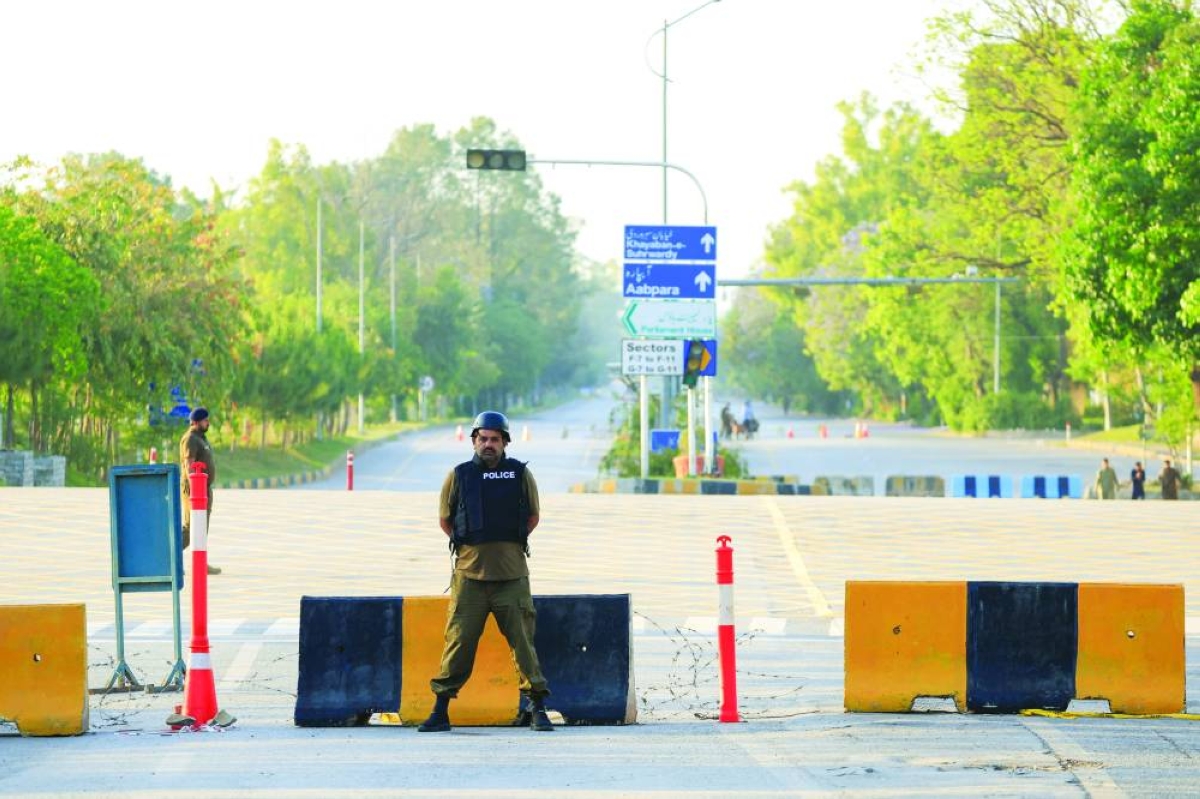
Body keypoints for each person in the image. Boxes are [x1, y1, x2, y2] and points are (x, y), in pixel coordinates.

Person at [418, 410, 553, 733]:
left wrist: (505, 545)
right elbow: (445, 520)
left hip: (512, 578)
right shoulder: (459, 475)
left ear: (505, 442)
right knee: (458, 644)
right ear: (474, 441)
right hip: (469, 579)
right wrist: (471, 546)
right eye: (483, 439)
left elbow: (533, 516)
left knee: (523, 644)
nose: (488, 444)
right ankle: (440, 710)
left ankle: (537, 707)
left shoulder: (520, 474)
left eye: (495, 439)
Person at [179, 407, 221, 575]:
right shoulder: (190, 439)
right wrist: (196, 489)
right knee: (191, 528)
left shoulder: (200, 438)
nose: (208, 422)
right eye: (205, 420)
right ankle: (169, 558)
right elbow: (189, 465)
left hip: (204, 489)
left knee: (202, 527)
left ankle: (201, 563)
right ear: (195, 422)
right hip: (194, 491)